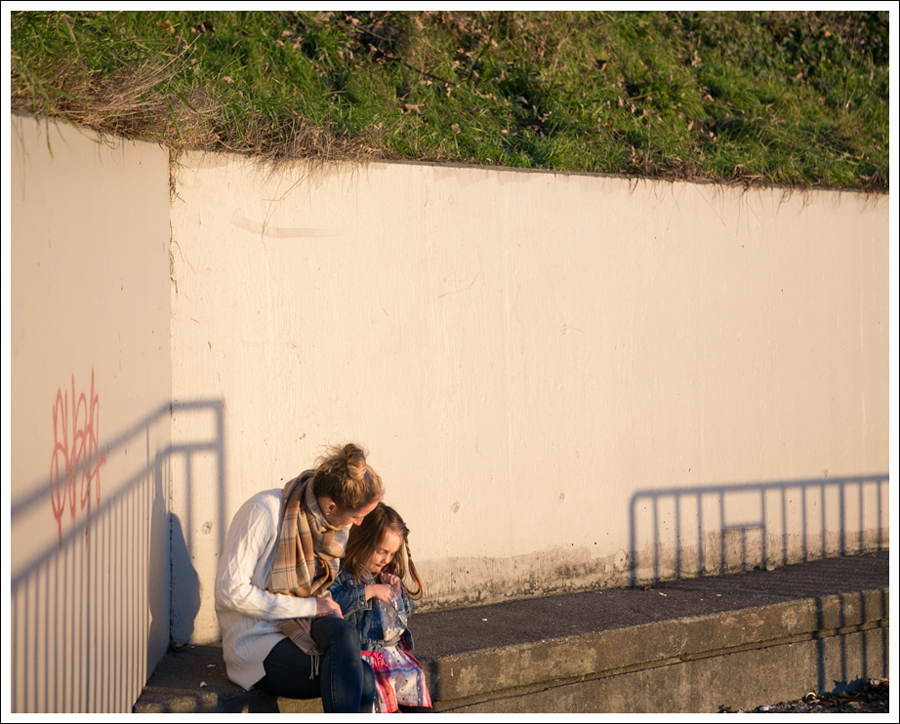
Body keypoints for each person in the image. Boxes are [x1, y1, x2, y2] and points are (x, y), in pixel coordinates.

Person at [215, 443, 382, 712]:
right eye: (356, 516)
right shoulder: (263, 512)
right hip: (257, 639)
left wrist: (319, 607)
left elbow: (321, 595)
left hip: (304, 624)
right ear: (330, 507)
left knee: (351, 646)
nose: (359, 523)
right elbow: (230, 592)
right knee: (359, 678)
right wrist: (312, 606)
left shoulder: (331, 527)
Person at [329, 503, 433, 713]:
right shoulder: (342, 574)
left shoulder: (384, 574)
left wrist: (397, 593)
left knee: (416, 682)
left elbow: (406, 616)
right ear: (363, 541)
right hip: (365, 655)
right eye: (381, 551)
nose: (387, 559)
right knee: (382, 693)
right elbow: (331, 604)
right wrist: (368, 591)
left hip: (392, 653)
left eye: (392, 553)